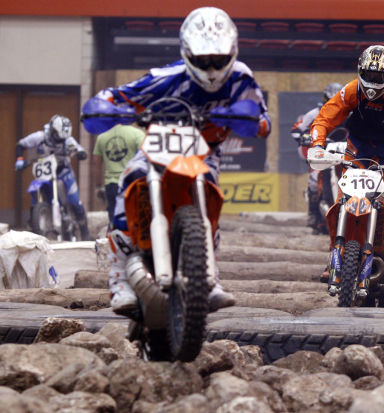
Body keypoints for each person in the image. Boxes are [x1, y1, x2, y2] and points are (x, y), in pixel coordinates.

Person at [83, 7, 271, 314]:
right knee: (130, 179)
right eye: (202, 60)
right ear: (187, 53)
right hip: (157, 145)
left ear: (232, 52)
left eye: (218, 60)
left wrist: (246, 120)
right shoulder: (163, 78)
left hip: (205, 150)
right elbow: (117, 95)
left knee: (210, 196)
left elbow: (264, 121)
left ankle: (209, 279)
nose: (211, 69)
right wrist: (105, 105)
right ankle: (119, 280)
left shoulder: (241, 78)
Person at [308, 45, 384, 288]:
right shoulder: (351, 90)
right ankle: (335, 254)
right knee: (343, 202)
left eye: (379, 77)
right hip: (357, 150)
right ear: (360, 71)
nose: (373, 82)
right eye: (369, 75)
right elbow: (324, 119)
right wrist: (318, 144)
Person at [14, 114, 90, 240]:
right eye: (57, 137)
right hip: (44, 172)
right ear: (52, 130)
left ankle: (84, 230)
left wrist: (80, 153)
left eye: (61, 139)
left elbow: (78, 149)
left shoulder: (68, 140)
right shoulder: (39, 137)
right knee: (35, 189)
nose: (59, 141)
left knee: (74, 200)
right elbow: (20, 145)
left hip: (63, 172)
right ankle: (34, 219)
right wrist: (20, 159)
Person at [291, 82, 343, 235]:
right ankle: (313, 214)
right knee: (314, 180)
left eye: (337, 102)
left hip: (344, 153)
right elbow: (296, 129)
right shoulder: (315, 113)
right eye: (330, 101)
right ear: (325, 99)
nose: (334, 105)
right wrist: (304, 137)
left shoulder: (350, 114)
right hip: (322, 151)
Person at [92, 124, 145, 225]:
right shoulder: (137, 134)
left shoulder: (102, 136)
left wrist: (98, 186)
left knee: (114, 219)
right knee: (135, 217)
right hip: (132, 183)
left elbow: (96, 163)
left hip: (112, 184)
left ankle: (114, 236)